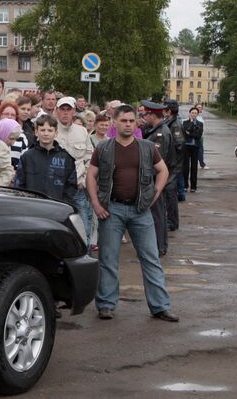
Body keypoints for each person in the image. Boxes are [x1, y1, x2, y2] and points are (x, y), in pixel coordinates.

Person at [86, 104, 177, 322]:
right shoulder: (104, 148)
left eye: (131, 120)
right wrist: (97, 205)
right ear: (114, 123)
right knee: (108, 258)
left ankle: (160, 307)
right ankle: (106, 304)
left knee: (151, 258)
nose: (128, 124)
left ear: (136, 122)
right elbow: (91, 176)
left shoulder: (147, 147)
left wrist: (154, 194)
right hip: (112, 210)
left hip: (140, 211)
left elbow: (163, 170)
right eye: (123, 120)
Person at [55, 96, 93, 245]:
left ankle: (86, 258)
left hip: (78, 189)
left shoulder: (82, 131)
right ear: (56, 111)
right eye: (62, 109)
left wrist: (84, 181)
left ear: (74, 111)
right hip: (56, 189)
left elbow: (89, 158)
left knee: (83, 229)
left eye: (68, 109)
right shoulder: (50, 129)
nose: (65, 113)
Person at [15, 114, 77, 204]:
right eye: (42, 130)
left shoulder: (66, 158)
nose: (46, 133)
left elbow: (71, 188)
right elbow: (19, 185)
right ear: (36, 132)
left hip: (57, 209)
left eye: (50, 130)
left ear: (56, 133)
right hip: (31, 207)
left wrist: (64, 205)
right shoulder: (27, 156)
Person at [142, 100, 175, 257]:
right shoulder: (157, 130)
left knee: (157, 214)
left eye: (145, 114)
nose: (144, 117)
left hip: (156, 180)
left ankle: (158, 247)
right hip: (155, 180)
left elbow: (156, 161)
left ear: (151, 115)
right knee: (157, 213)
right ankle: (158, 246)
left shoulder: (160, 134)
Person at [162, 100, 185, 230]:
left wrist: (170, 159)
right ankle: (170, 220)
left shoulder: (175, 125)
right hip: (171, 164)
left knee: (170, 194)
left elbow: (179, 144)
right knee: (168, 193)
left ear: (169, 111)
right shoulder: (169, 122)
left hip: (173, 165)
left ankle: (172, 222)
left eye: (164, 109)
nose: (163, 112)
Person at [1, 101, 29, 169]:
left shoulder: (22, 137)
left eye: (13, 115)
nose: (9, 117)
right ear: (0, 115)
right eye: (6, 114)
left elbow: (25, 161)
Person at [182, 107, 204, 192]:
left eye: (195, 113)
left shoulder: (200, 124)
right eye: (192, 113)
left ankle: (193, 186)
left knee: (194, 167)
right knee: (185, 167)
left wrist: (189, 133)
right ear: (189, 113)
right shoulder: (185, 123)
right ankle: (185, 185)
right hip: (186, 147)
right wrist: (191, 125)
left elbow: (198, 136)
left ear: (197, 114)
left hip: (195, 147)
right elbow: (185, 134)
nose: (193, 114)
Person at [195, 103, 209, 169]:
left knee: (200, 150)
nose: (200, 108)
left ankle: (202, 164)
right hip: (196, 136)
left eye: (201, 107)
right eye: (198, 107)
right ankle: (202, 164)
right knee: (199, 150)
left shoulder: (200, 116)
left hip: (201, 136)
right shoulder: (194, 116)